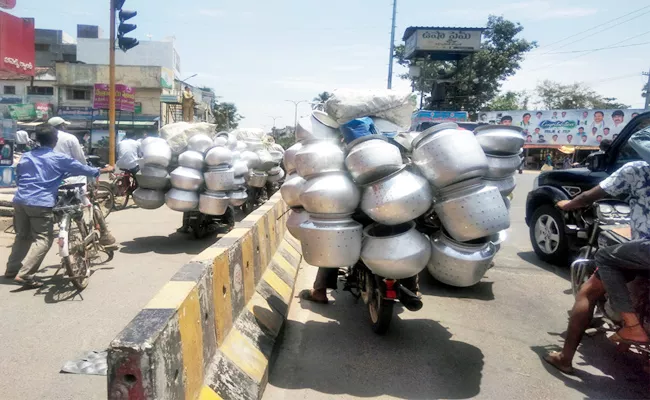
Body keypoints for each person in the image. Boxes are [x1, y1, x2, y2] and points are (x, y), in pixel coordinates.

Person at [544, 148, 650, 374]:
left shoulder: (638, 169)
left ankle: (566, 357)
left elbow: (588, 197)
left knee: (591, 285)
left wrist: (568, 204)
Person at [4, 129, 114, 288]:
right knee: (43, 239)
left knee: (23, 236)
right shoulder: (58, 158)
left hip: (20, 200)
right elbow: (83, 168)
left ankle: (12, 269)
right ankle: (26, 274)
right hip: (40, 202)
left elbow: (20, 176)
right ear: (55, 141)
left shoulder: (27, 156)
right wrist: (104, 170)